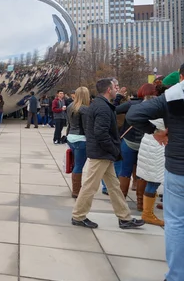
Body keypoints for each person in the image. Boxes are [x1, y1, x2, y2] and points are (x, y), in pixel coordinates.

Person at [127, 64, 184, 281]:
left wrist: (156, 132)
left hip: (178, 168)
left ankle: (176, 277)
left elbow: (134, 114)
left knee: (176, 222)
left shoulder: (172, 97)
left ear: (181, 77)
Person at [71, 78, 144, 230]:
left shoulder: (100, 105)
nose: (117, 89)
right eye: (115, 87)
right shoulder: (103, 108)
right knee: (90, 186)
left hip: (103, 153)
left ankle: (125, 218)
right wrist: (114, 150)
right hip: (101, 153)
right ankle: (78, 216)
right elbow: (101, 133)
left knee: (114, 187)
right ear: (108, 90)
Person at [134, 84, 166, 226]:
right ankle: (147, 213)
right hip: (157, 147)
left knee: (150, 178)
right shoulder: (160, 108)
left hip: (148, 143)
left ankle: (146, 209)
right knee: (153, 181)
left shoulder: (146, 106)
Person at [66, 86, 91, 198]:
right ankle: (76, 191)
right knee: (78, 165)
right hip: (81, 138)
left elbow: (69, 123)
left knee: (76, 164)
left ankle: (76, 189)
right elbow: (86, 128)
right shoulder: (84, 109)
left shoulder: (71, 106)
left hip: (71, 136)